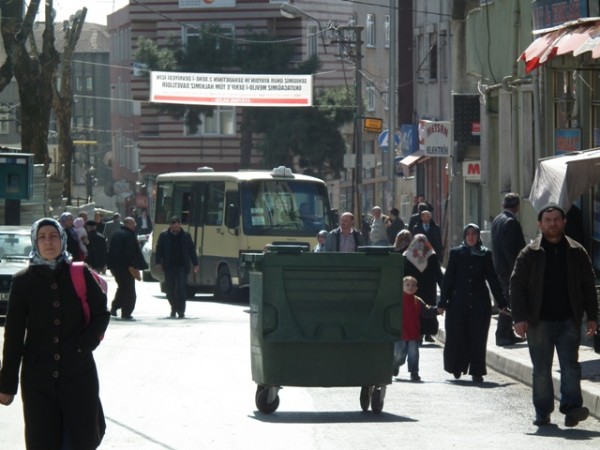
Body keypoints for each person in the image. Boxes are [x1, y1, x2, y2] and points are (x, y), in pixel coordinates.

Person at [0, 217, 110, 449]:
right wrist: (7, 384)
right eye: (42, 237)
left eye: (53, 236)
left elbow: (101, 314)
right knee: (43, 441)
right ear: (35, 242)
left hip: (79, 375)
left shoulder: (80, 274)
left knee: (81, 439)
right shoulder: (23, 282)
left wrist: (83, 345)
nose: (48, 242)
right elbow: (14, 336)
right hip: (38, 380)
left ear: (62, 239)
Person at [510, 203, 598, 427]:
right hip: (538, 321)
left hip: (569, 320)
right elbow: (517, 286)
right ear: (540, 224)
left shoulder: (577, 251)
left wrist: (592, 316)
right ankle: (543, 411)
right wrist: (519, 318)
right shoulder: (529, 254)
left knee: (571, 367)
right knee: (541, 370)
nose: (552, 224)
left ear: (564, 222)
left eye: (557, 220)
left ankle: (571, 408)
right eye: (548, 220)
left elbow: (588, 285)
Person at [438, 223, 506, 383]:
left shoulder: (485, 254)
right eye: (468, 234)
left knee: (478, 337)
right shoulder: (456, 253)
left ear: (478, 236)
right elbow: (448, 279)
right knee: (457, 336)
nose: (471, 237)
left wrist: (501, 302)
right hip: (458, 302)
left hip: (479, 303)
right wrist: (442, 302)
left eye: (474, 234)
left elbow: (492, 278)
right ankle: (457, 366)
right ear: (464, 236)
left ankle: (477, 371)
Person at [491, 192, 527, 346]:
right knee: (508, 301)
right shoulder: (511, 223)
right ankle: (502, 334)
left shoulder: (498, 220)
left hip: (500, 268)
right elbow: (510, 251)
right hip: (508, 270)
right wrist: (517, 270)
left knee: (506, 301)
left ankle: (507, 333)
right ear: (517, 206)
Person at [393, 276, 440, 381]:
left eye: (413, 285)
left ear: (416, 288)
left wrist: (436, 311)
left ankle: (414, 373)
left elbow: (426, 312)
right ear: (401, 287)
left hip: (414, 334)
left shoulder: (417, 301)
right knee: (399, 355)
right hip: (400, 334)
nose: (410, 287)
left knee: (414, 355)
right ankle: (395, 366)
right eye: (407, 285)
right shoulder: (397, 299)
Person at [155, 217, 199, 319]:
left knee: (181, 289)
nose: (175, 229)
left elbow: (191, 250)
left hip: (182, 266)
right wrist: (158, 263)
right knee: (169, 290)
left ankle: (181, 311)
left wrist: (195, 264)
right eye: (173, 227)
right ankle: (174, 307)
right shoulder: (164, 236)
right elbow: (159, 250)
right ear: (170, 226)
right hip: (169, 266)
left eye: (177, 227)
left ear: (180, 225)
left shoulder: (186, 236)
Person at [403, 234, 444, 343]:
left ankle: (423, 333)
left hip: (414, 288)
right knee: (424, 309)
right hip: (427, 288)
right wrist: (443, 287)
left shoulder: (407, 256)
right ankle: (425, 333)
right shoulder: (430, 255)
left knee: (422, 309)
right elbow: (439, 274)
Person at [107, 217, 148, 320]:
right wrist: (135, 266)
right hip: (127, 267)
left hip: (116, 267)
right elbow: (130, 253)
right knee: (129, 291)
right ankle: (126, 313)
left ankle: (114, 307)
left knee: (122, 288)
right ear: (128, 224)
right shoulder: (129, 235)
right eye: (133, 223)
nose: (135, 225)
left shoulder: (117, 234)